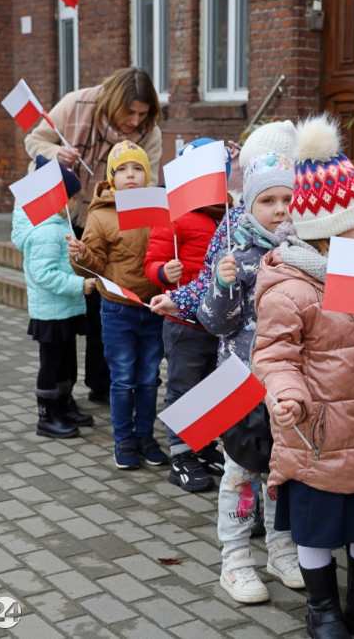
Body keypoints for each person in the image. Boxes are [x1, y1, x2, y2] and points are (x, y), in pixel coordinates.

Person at [253, 115, 354, 639]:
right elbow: (275, 356)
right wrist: (288, 396)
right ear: (328, 233)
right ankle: (322, 610)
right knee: (318, 528)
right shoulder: (291, 287)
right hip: (316, 434)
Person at [197, 152, 303, 604]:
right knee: (241, 472)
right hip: (240, 383)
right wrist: (221, 285)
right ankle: (236, 558)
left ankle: (281, 548)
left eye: (288, 198)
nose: (280, 209)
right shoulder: (232, 251)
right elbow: (213, 322)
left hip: (286, 381)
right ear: (248, 205)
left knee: (284, 468)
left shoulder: (305, 252)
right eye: (269, 200)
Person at [26, 67, 163, 403]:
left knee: (106, 307)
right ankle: (62, 390)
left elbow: (148, 186)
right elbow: (34, 139)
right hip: (66, 218)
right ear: (113, 102)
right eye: (129, 111)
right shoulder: (76, 103)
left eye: (143, 113)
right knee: (71, 308)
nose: (135, 121)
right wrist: (54, 153)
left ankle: (103, 385)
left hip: (113, 226)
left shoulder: (151, 134)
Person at [67, 141, 166, 471]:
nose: (130, 175)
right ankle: (123, 440)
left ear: (147, 174)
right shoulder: (101, 214)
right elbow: (91, 266)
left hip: (153, 309)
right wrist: (81, 257)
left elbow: (168, 250)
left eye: (137, 168)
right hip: (118, 311)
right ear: (111, 178)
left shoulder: (158, 209)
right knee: (123, 378)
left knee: (149, 378)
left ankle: (145, 436)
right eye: (122, 169)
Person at [143, 138, 230, 493]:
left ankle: (203, 443)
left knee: (210, 388)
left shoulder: (225, 218)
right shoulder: (174, 218)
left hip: (215, 320)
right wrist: (165, 273)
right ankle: (181, 455)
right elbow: (150, 263)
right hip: (183, 323)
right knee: (183, 386)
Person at [11, 156, 97, 439]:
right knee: (51, 364)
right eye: (75, 198)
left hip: (64, 309)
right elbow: (44, 274)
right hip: (51, 311)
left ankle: (63, 403)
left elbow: (60, 262)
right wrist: (78, 286)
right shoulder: (47, 231)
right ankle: (47, 414)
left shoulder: (58, 226)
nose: (76, 205)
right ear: (63, 200)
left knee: (65, 361)